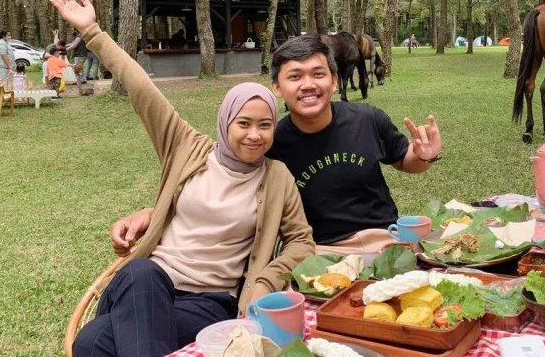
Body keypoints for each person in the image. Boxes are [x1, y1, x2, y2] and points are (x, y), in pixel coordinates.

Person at [47, 0, 314, 357]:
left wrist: (267, 280)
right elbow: (142, 89)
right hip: (146, 284)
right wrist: (92, 32)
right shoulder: (186, 147)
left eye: (265, 125)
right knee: (143, 273)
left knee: (93, 342)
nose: (254, 135)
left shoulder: (277, 177)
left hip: (208, 303)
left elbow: (302, 240)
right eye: (244, 123)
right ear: (225, 122)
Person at [115, 35, 441, 257]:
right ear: (277, 87)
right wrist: (154, 212)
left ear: (335, 80)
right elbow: (216, 185)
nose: (308, 85)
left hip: (386, 240)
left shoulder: (368, 118)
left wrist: (424, 156)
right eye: (295, 76)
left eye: (318, 74)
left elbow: (404, 161)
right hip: (318, 253)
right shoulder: (269, 143)